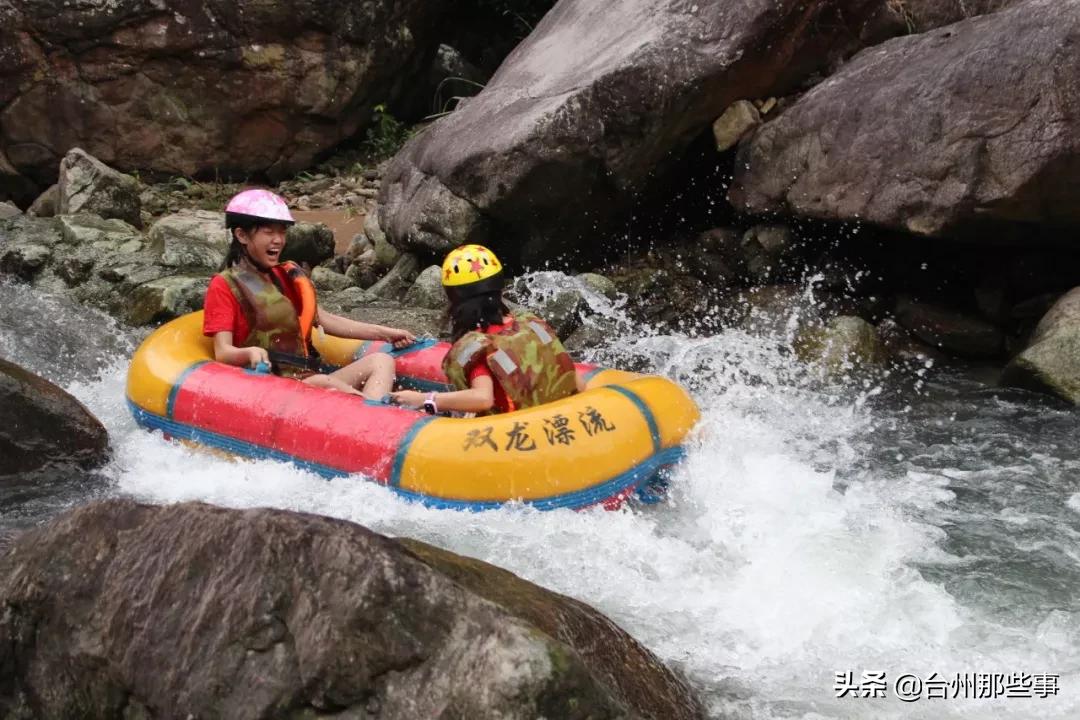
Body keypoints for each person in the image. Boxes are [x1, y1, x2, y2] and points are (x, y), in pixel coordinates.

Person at [203, 188, 415, 399]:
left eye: (282, 232)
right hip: (271, 387)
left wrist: (386, 333)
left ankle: (378, 417)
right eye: (269, 232)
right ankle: (377, 413)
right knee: (322, 382)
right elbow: (223, 352)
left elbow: (325, 319)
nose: (278, 240)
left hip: (306, 378)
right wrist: (249, 353)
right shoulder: (224, 285)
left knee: (381, 361)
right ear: (241, 235)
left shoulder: (286, 276)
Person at [390, 244, 585, 415]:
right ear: (499, 289)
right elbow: (574, 378)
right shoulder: (529, 325)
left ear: (454, 300)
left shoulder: (479, 345)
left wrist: (426, 399)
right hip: (564, 415)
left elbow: (483, 398)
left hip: (517, 431)